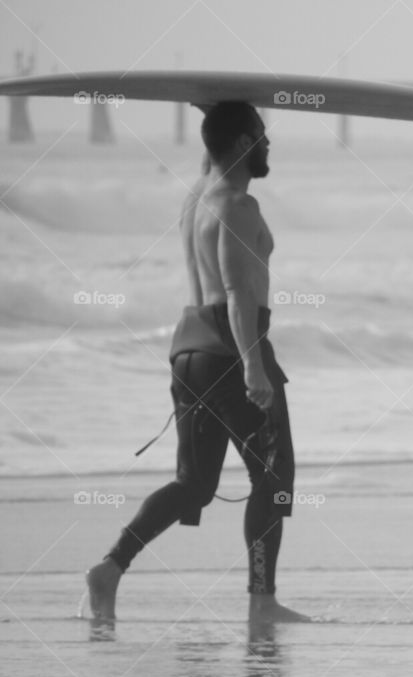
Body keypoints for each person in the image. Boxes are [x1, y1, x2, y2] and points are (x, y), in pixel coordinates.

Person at [86, 102, 310, 623]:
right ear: (238, 144)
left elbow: (211, 158)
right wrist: (254, 368)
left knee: (194, 484)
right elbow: (236, 293)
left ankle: (110, 568)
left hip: (188, 351)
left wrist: (216, 108)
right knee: (274, 477)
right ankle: (262, 602)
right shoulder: (236, 206)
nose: (268, 142)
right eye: (260, 134)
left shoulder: (195, 200)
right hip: (234, 348)